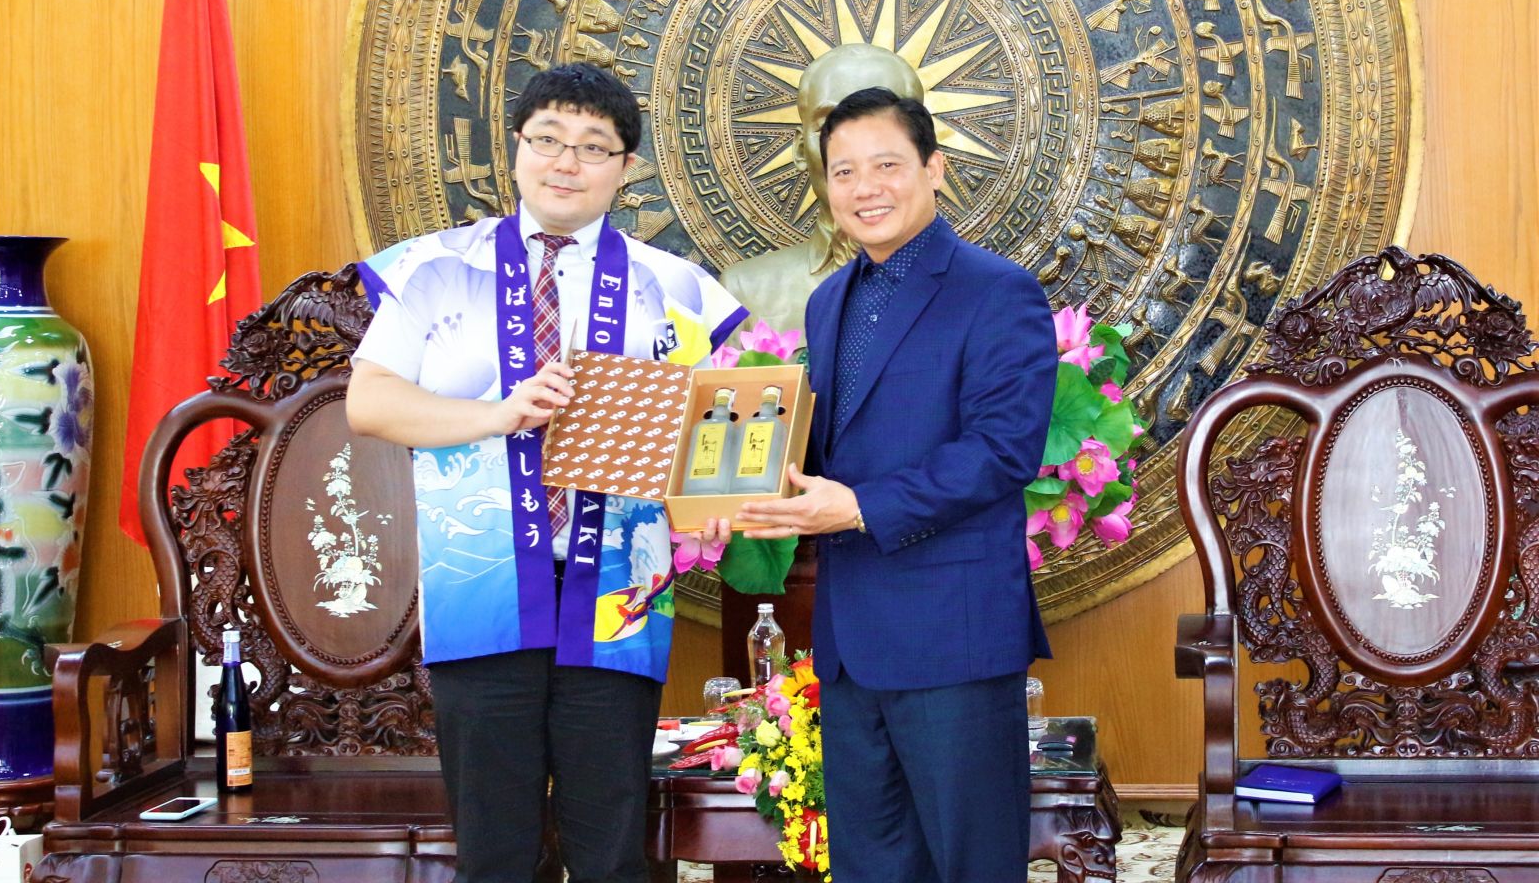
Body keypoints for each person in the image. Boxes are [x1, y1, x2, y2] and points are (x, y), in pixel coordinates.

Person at [347, 62, 746, 883]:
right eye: (549, 141)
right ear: (518, 150)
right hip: (481, 583)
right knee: (494, 852)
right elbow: (371, 404)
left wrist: (713, 501)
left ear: (626, 168)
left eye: (594, 147)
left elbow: (729, 422)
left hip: (618, 595)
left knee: (612, 848)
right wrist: (498, 414)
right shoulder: (435, 268)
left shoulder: (676, 288)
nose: (567, 162)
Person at [717, 87, 1057, 882]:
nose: (864, 187)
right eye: (843, 172)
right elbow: (829, 446)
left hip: (955, 635)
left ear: (933, 170)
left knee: (971, 862)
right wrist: (756, 492)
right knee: (873, 865)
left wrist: (861, 506)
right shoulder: (831, 299)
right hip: (850, 642)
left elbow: (1003, 450)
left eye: (886, 165)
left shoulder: (996, 289)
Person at [720, 44, 924, 341]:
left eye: (882, 127)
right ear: (802, 151)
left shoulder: (982, 290)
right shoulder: (745, 292)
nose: (855, 151)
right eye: (829, 126)